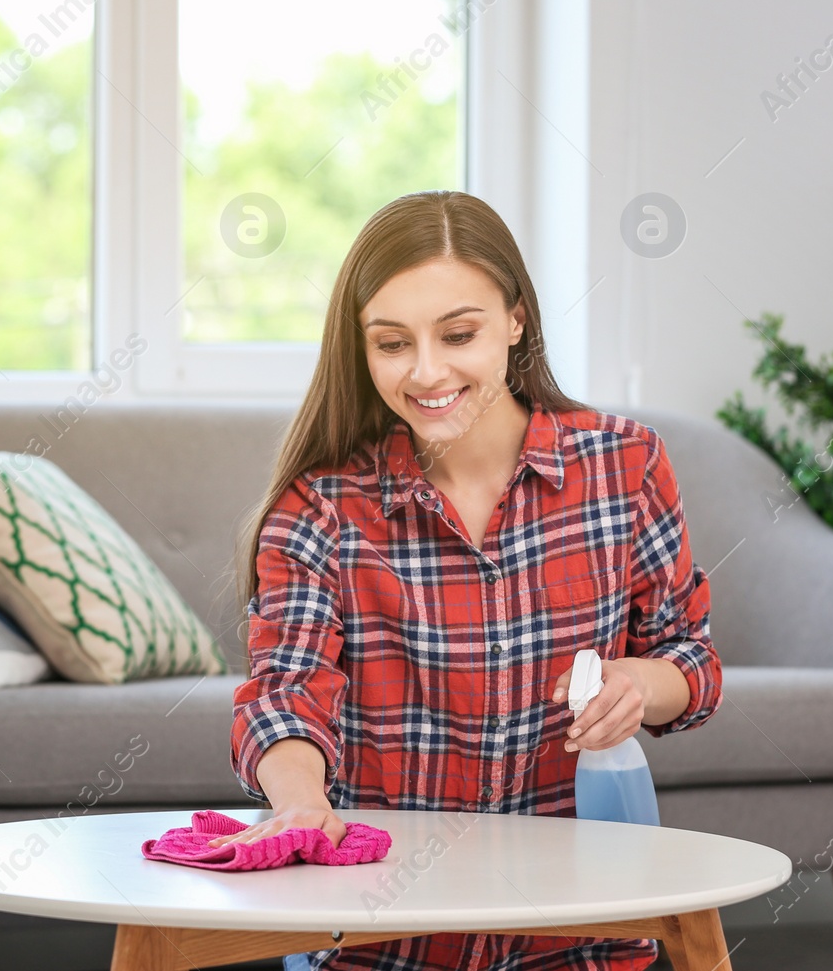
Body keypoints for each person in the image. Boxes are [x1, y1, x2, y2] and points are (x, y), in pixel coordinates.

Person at [222, 190, 724, 971]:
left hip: (578, 936)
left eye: (459, 333)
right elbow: (286, 692)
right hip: (376, 943)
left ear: (516, 319)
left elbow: (690, 659)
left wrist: (636, 682)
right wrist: (298, 801)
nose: (427, 372)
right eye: (392, 343)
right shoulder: (321, 504)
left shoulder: (625, 465)